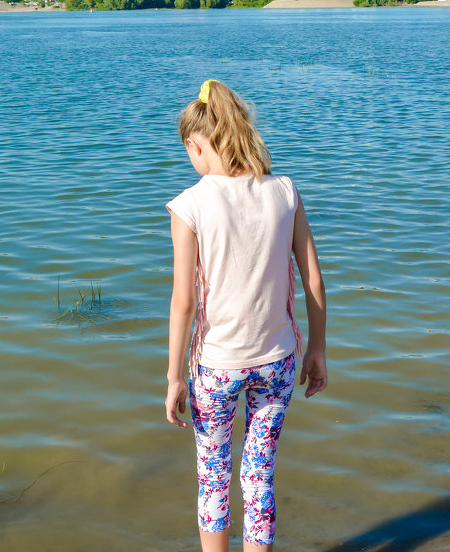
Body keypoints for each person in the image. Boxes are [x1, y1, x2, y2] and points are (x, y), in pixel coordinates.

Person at [165, 79, 328, 552]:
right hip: (276, 360)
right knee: (259, 477)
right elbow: (314, 281)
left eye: (188, 152)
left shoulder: (191, 203)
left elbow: (184, 302)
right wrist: (316, 349)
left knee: (213, 475)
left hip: (216, 367)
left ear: (197, 145)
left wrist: (175, 377)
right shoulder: (284, 191)